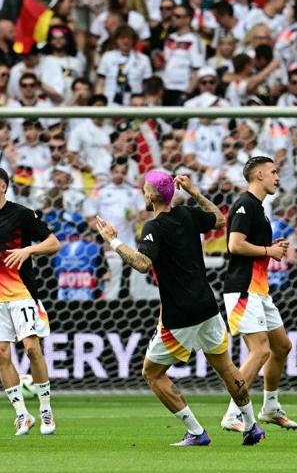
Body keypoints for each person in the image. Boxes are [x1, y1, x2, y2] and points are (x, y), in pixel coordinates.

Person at [94, 170, 266, 446]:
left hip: (180, 314)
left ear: (150, 196)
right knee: (225, 367)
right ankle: (251, 426)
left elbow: (142, 264)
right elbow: (221, 219)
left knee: (152, 373)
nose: (143, 195)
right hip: (208, 307)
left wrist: (113, 240)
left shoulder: (154, 227)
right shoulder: (187, 214)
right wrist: (195, 193)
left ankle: (196, 432)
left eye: (144, 191)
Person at [0, 166, 62, 436]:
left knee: (32, 348)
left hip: (22, 292)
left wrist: (28, 249)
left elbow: (53, 243)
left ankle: (45, 410)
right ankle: (22, 415)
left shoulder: (22, 214)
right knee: (0, 353)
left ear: (3, 187)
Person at [219, 156, 297, 433]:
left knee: (282, 346)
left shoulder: (259, 208)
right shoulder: (244, 205)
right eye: (274, 172)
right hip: (243, 290)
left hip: (259, 291)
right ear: (260, 175)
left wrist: (271, 247)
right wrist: (269, 251)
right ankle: (233, 413)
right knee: (260, 350)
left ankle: (270, 407)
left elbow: (249, 246)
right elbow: (234, 245)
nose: (278, 177)